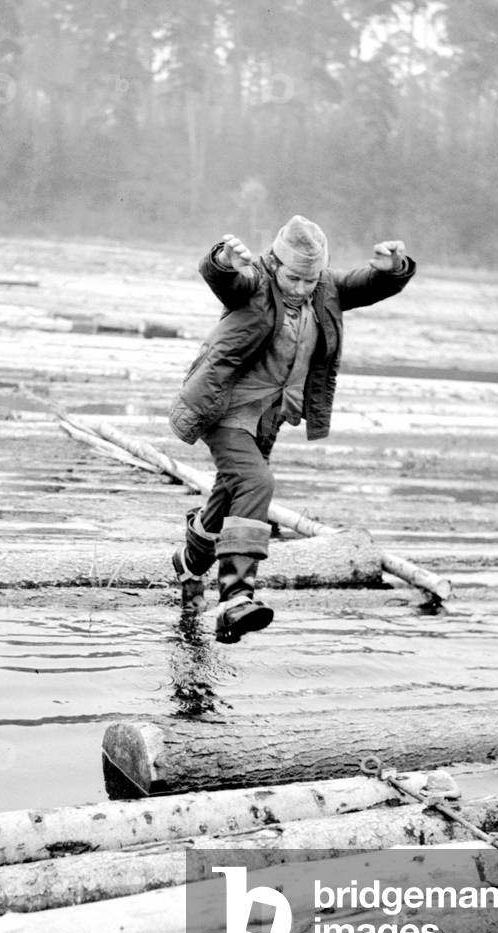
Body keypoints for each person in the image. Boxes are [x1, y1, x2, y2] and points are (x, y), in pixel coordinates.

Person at [169, 215, 415, 643]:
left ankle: (190, 562)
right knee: (257, 483)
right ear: (276, 263)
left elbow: (370, 285)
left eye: (310, 279)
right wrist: (223, 261)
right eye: (294, 277)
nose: (301, 287)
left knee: (232, 492)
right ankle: (234, 598)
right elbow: (228, 282)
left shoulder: (326, 289)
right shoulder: (257, 283)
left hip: (269, 416)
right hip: (224, 408)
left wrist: (391, 268)